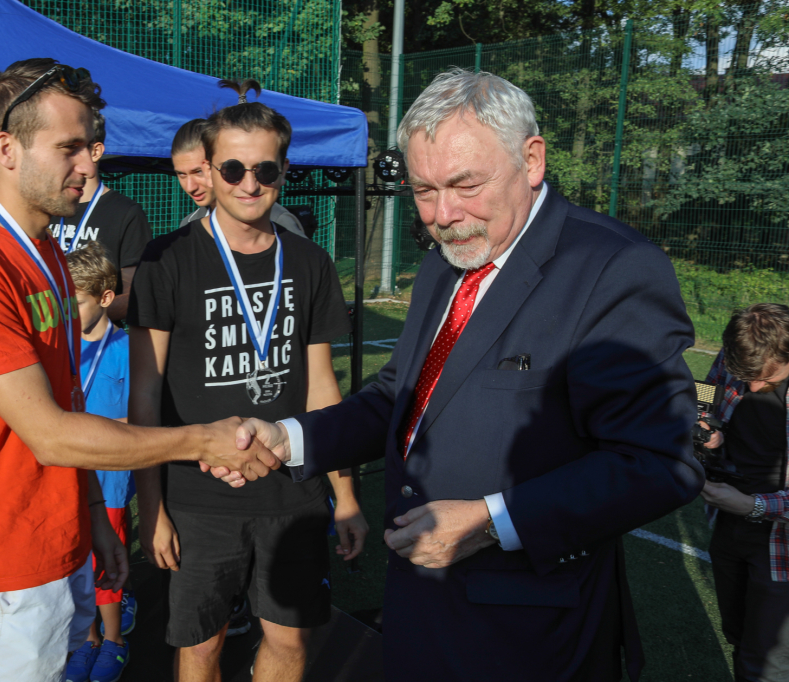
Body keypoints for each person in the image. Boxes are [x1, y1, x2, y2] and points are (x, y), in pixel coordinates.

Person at [222, 68, 705, 681]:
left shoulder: (613, 269)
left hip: (528, 638)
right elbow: (401, 398)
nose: (443, 214)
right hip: (420, 612)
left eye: (465, 184)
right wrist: (291, 438)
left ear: (531, 160)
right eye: (423, 191)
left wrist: (491, 521)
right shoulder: (446, 264)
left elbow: (662, 463)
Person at [0, 58, 279, 682]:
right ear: (6, 148)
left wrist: (90, 522)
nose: (88, 165)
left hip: (60, 544)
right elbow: (51, 432)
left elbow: (69, 401)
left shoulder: (52, 255)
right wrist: (203, 440)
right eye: (69, 148)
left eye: (90, 146)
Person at [129, 78, 368, 682]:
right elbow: (146, 394)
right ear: (207, 170)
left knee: (291, 642)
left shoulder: (309, 262)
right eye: (232, 168)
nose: (249, 183)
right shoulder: (165, 260)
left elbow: (322, 386)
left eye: (265, 169)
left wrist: (346, 497)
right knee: (201, 647)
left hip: (293, 493)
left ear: (284, 170)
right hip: (197, 497)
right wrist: (151, 507)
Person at [699, 303, 789, 682]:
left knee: (768, 662)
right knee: (738, 636)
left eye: (765, 378)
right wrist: (708, 429)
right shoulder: (737, 351)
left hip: (780, 539)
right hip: (729, 523)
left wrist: (751, 506)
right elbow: (706, 397)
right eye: (744, 375)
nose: (751, 386)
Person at [64, 241, 135, 682]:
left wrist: (95, 430)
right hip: (69, 475)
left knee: (105, 562)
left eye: (77, 302)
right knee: (76, 561)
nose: (69, 313)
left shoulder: (127, 347)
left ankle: (115, 641)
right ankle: (88, 639)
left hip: (108, 480)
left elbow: (136, 418)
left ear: (105, 298)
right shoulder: (63, 346)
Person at [52, 111, 151, 322]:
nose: (61, 156)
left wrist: (73, 318)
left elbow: (135, 296)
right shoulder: (47, 208)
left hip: (95, 348)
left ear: (95, 151)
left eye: (71, 148)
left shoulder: (126, 214)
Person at [171, 117, 308, 238]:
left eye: (198, 172)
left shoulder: (277, 220)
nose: (190, 187)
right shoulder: (189, 224)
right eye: (181, 174)